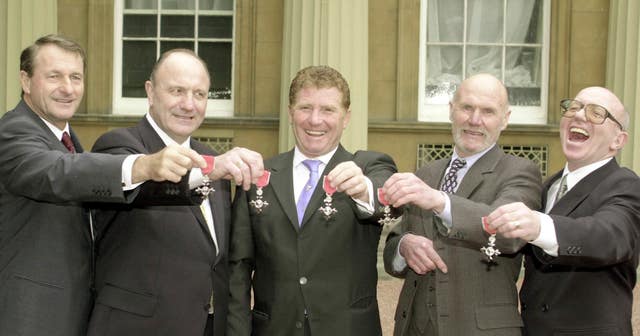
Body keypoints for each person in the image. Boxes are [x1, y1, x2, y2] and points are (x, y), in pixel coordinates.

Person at [0, 35, 210, 336]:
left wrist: (210, 172)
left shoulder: (69, 142)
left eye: (75, 77)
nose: (68, 88)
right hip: (30, 318)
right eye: (54, 77)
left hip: (72, 315)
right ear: (25, 80)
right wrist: (142, 165)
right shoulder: (13, 133)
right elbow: (58, 173)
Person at [86, 49, 264, 336]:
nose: (188, 104)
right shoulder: (119, 147)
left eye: (199, 94)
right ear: (151, 92)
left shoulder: (211, 159)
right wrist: (209, 170)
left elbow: (218, 259)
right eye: (177, 91)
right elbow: (151, 187)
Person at [226, 65, 398, 335]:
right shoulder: (259, 176)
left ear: (346, 117)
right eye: (305, 108)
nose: (315, 120)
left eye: (328, 110)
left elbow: (387, 197)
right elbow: (238, 269)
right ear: (290, 113)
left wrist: (363, 189)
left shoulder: (367, 167)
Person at [382, 73, 543, 335]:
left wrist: (439, 201)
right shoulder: (427, 173)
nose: (474, 120)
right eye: (467, 107)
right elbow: (394, 244)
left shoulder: (520, 171)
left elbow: (507, 233)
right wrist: (403, 247)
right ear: (451, 110)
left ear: (505, 119)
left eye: (488, 111)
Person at [485, 87, 640, 336]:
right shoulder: (547, 187)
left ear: (618, 141)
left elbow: (611, 236)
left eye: (596, 112)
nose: (579, 115)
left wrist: (539, 226)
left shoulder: (626, 185)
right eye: (574, 107)